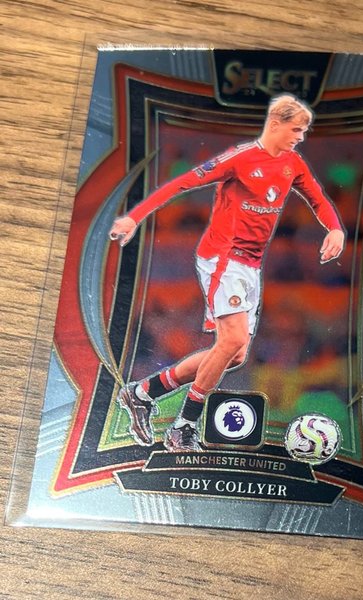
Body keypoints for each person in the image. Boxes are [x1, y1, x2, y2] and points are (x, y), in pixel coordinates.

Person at [109, 93, 345, 451]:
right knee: (231, 341)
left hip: (251, 266)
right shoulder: (239, 159)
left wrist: (335, 228)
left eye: (304, 131)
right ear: (275, 124)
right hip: (222, 258)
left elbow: (317, 198)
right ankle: (183, 427)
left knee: (234, 356)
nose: (301, 137)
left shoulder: (293, 164)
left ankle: (142, 393)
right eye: (296, 130)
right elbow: (182, 182)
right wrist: (134, 218)